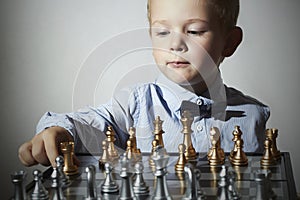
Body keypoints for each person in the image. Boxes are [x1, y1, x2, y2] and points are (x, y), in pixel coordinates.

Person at [18, 0, 270, 167]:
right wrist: (60, 130)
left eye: (194, 31)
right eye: (162, 32)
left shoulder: (254, 114)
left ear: (230, 42)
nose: (176, 44)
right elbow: (87, 122)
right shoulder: (134, 104)